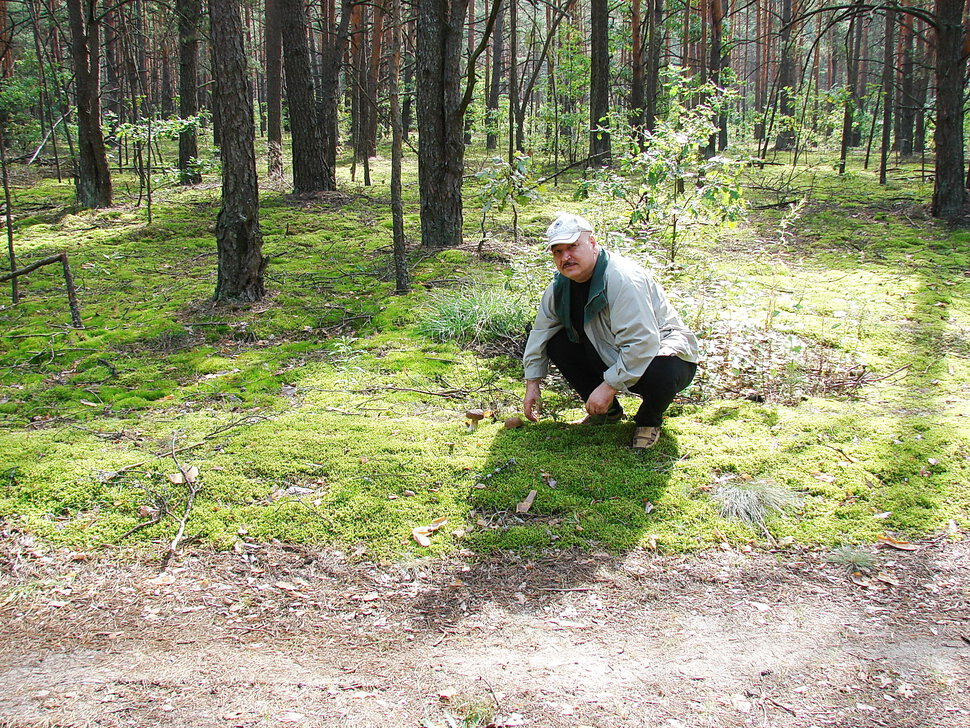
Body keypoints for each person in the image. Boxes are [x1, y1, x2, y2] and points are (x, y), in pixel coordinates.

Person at [522, 213, 699, 450]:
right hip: (611, 351)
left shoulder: (623, 279)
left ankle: (648, 422)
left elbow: (642, 343)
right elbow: (541, 332)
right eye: (557, 251)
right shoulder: (559, 288)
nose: (566, 257)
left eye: (573, 246)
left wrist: (608, 386)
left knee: (663, 368)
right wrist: (532, 381)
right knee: (556, 341)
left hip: (663, 353)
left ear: (593, 243)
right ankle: (609, 413)